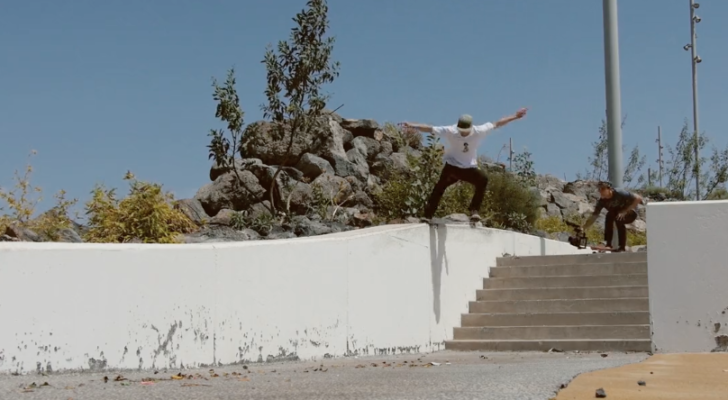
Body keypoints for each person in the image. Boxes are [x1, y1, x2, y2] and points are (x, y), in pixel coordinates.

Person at [402, 108, 528, 224]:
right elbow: (429, 128)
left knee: (483, 180)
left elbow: (497, 124)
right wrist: (412, 125)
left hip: (469, 169)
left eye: (465, 132)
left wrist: (515, 116)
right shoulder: (451, 130)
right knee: (439, 189)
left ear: (471, 128)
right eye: (461, 131)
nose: (462, 134)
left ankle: (474, 211)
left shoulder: (479, 131)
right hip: (452, 168)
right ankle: (427, 216)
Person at [581, 181, 643, 252]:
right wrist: (584, 227)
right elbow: (594, 216)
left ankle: (622, 247)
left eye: (602, 189)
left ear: (609, 189)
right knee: (609, 215)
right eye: (599, 190)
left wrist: (625, 211)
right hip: (617, 212)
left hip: (631, 212)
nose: (600, 191)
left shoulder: (619, 193)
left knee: (618, 219)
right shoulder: (602, 201)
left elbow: (638, 198)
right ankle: (608, 244)